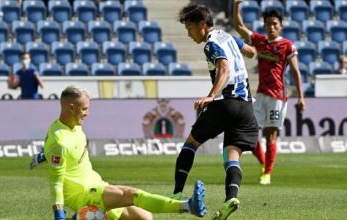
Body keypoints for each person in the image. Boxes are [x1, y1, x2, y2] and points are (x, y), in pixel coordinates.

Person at [38, 85, 207, 220]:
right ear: (71, 107)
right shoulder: (59, 140)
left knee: (145, 217)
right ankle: (187, 205)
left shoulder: (74, 127)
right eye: (84, 109)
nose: (87, 113)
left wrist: (44, 155)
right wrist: (59, 215)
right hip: (83, 194)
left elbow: (60, 153)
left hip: (98, 185)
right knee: (131, 194)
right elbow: (56, 182)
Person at [174, 4, 258, 220]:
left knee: (190, 144)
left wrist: (211, 95)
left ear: (203, 25)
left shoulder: (211, 44)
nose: (189, 34)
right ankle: (231, 198)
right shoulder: (227, 36)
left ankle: (175, 194)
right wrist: (245, 51)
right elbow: (251, 52)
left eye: (191, 28)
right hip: (246, 106)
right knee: (232, 155)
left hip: (226, 102)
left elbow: (224, 68)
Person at [233, 0, 306, 185]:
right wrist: (235, 5)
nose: (271, 27)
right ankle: (264, 163)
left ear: (280, 26)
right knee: (250, 131)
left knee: (270, 134)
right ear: (264, 25)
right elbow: (239, 25)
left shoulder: (287, 45)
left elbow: (296, 72)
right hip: (261, 94)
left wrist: (301, 97)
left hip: (278, 96)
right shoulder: (260, 40)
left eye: (275, 23)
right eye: (268, 23)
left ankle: (267, 173)